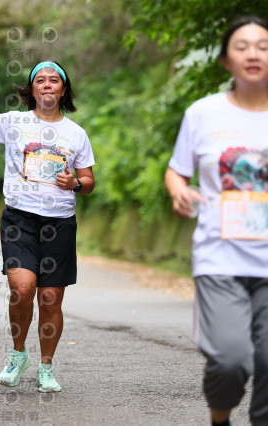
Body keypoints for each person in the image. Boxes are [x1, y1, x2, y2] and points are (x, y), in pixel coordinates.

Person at [0, 60, 95, 392]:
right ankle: (18, 354)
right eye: (40, 80)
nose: (47, 84)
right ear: (32, 89)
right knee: (22, 289)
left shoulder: (76, 133)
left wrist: (75, 184)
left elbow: (89, 181)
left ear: (63, 90)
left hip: (60, 222)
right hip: (19, 219)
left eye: (54, 80)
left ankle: (45, 367)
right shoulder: (13, 122)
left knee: (50, 298)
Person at [164, 16, 268, 426]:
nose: (253, 53)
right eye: (242, 46)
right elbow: (177, 171)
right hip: (220, 258)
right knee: (230, 359)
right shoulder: (203, 113)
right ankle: (219, 420)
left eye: (263, 46)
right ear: (226, 60)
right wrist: (178, 191)